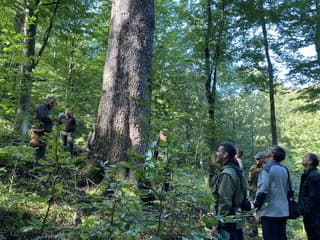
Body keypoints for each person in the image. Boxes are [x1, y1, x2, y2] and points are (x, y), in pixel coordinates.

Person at [254, 145, 292, 240]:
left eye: (270, 149)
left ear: (273, 154)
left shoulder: (267, 168)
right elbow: (290, 190)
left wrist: (257, 204)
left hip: (269, 211)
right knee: (281, 237)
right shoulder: (285, 169)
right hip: (283, 211)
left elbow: (263, 189)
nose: (268, 150)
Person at [209, 142, 245, 240]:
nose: (216, 153)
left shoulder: (227, 174)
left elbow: (224, 202)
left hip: (228, 224)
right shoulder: (236, 171)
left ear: (225, 155)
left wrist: (217, 224)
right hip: (236, 221)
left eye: (219, 151)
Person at [243, 151, 267, 240]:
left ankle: (260, 227)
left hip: (262, 193)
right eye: (256, 159)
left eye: (258, 159)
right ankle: (253, 230)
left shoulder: (266, 168)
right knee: (249, 211)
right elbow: (250, 179)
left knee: (262, 211)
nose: (257, 160)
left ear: (263, 159)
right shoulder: (254, 168)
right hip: (253, 192)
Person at [298, 153, 320, 240]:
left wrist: (306, 209)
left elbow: (315, 197)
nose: (303, 158)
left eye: (305, 157)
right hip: (309, 214)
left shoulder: (315, 176)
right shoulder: (307, 175)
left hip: (314, 215)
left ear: (310, 162)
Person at [32, 96, 57, 161]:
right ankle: (35, 165)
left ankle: (36, 165)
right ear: (48, 101)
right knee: (39, 148)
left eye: (54, 103)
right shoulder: (42, 107)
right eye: (52, 103)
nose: (53, 105)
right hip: (39, 131)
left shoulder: (46, 108)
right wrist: (52, 119)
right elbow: (43, 117)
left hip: (43, 131)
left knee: (42, 148)